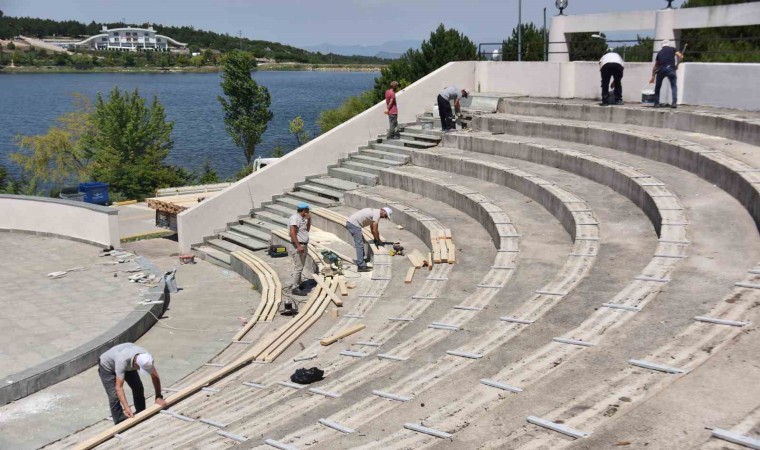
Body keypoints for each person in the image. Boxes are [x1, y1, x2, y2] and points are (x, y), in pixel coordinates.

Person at [99, 343, 166, 424]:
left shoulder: (146, 357)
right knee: (114, 395)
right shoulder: (122, 361)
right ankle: (119, 420)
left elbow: (155, 376)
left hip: (127, 362)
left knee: (138, 387)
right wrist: (127, 408)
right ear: (136, 364)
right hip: (107, 367)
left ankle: (141, 412)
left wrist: (158, 396)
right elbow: (119, 388)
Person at [345, 207, 392, 272]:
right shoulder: (377, 214)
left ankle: (362, 259)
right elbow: (375, 230)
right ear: (383, 211)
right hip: (353, 224)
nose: (384, 217)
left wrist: (375, 239)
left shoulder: (375, 211)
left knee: (362, 241)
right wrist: (378, 240)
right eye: (386, 215)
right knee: (359, 244)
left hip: (352, 223)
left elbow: (372, 228)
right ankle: (361, 266)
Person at [649, 39, 684, 109]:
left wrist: (653, 77)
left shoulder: (659, 52)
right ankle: (674, 103)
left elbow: (656, 66)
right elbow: (681, 56)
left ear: (662, 46)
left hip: (661, 69)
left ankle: (656, 103)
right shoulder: (673, 49)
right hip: (671, 69)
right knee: (673, 86)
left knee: (658, 86)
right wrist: (677, 65)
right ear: (668, 44)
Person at [288, 202, 311, 296]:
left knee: (300, 266)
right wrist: (298, 246)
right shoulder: (295, 218)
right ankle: (294, 288)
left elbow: (307, 230)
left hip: (303, 245)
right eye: (308, 210)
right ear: (304, 210)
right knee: (298, 267)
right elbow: (292, 232)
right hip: (298, 245)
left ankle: (298, 284)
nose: (309, 212)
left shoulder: (302, 219)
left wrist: (309, 219)